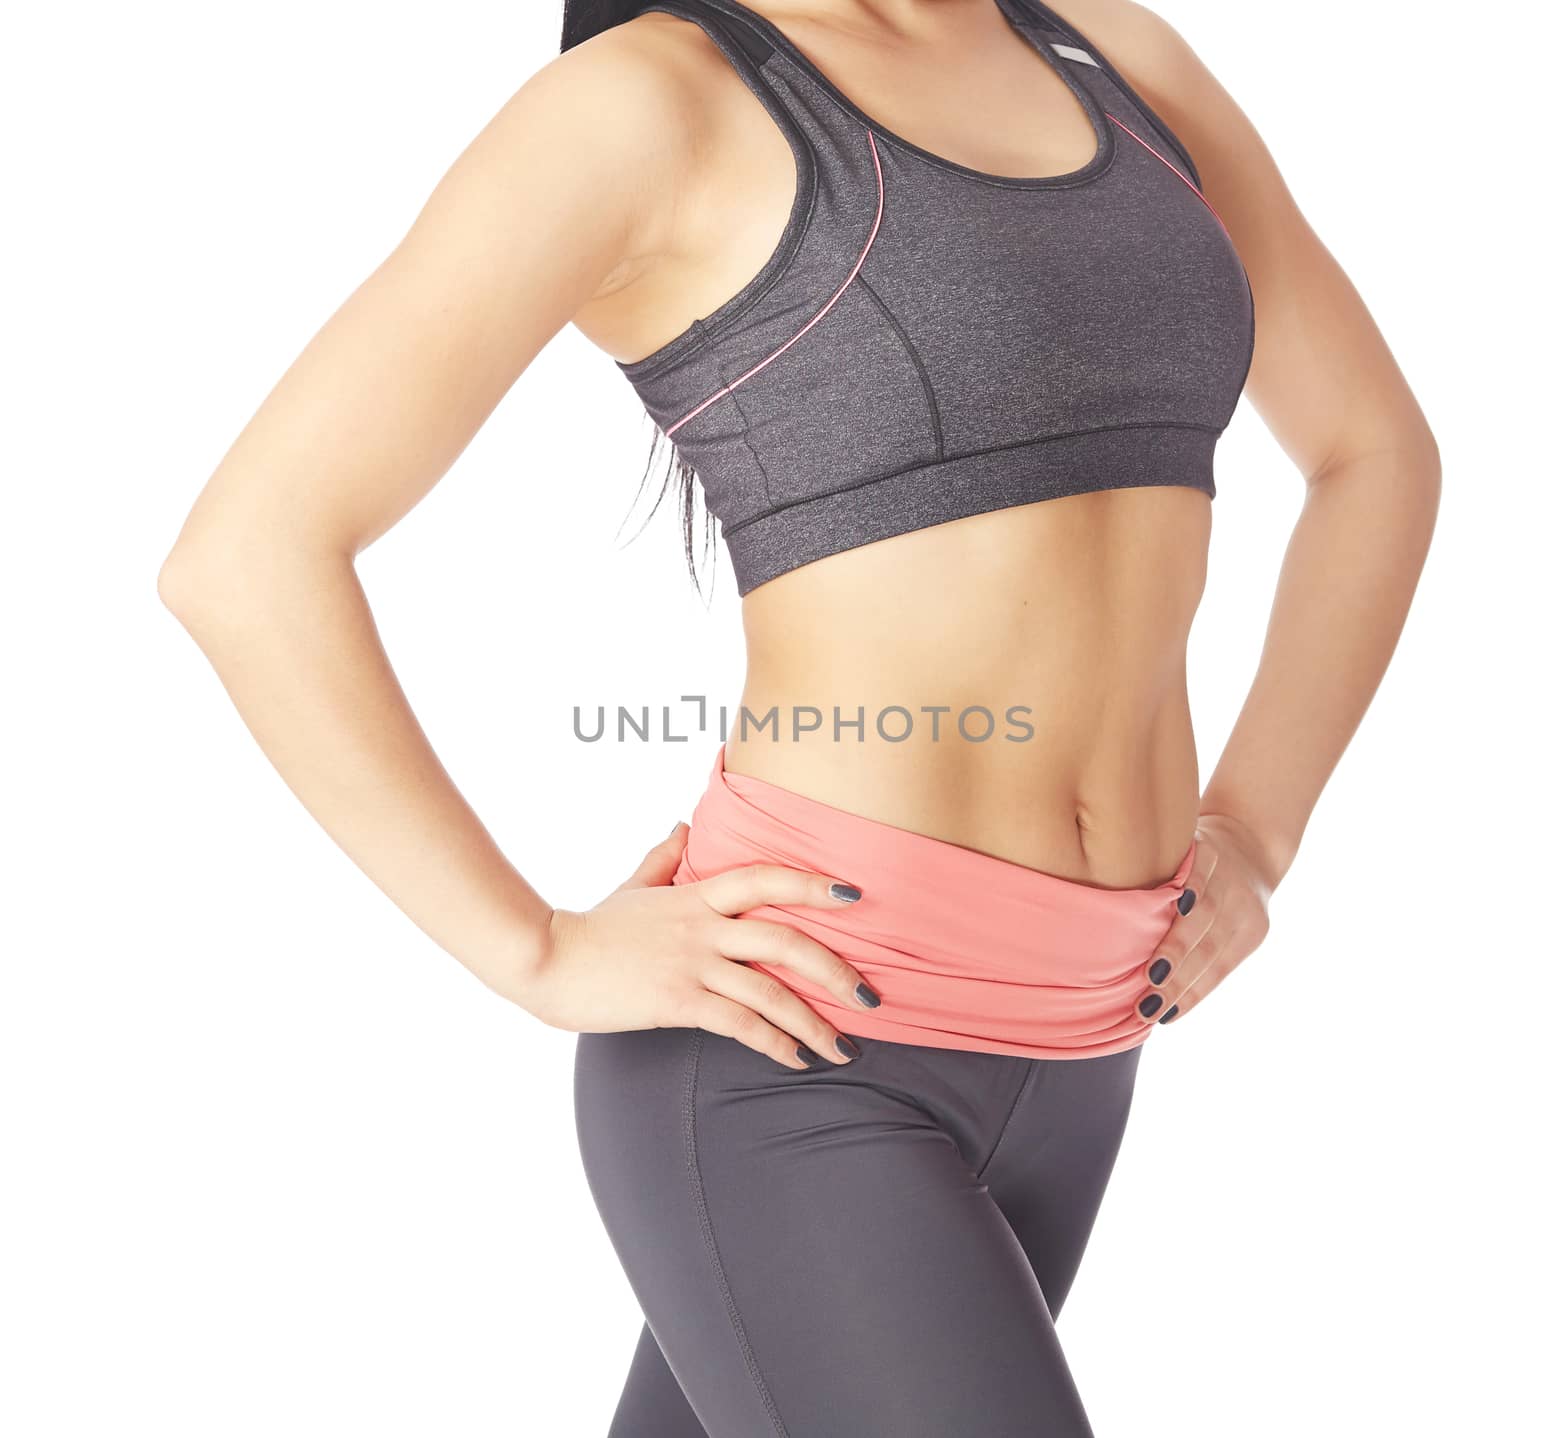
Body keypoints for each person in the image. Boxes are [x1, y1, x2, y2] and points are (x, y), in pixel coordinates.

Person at [158, 0, 1440, 1432]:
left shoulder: (1111, 53)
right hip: (797, 1046)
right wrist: (533, 949)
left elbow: (1374, 450)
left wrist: (1256, 830)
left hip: (1089, 1041)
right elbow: (247, 555)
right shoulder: (653, 101)